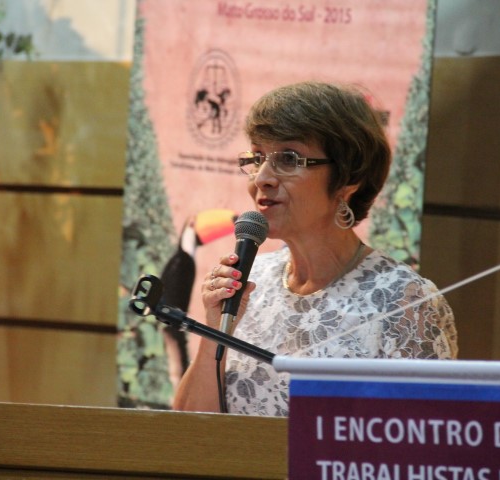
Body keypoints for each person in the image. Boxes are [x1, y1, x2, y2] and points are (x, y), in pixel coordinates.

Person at [173, 81, 458, 416]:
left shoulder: (406, 302)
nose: (261, 178)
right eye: (257, 157)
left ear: (348, 180)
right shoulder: (250, 281)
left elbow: (427, 435)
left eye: (288, 159)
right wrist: (214, 328)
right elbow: (189, 429)